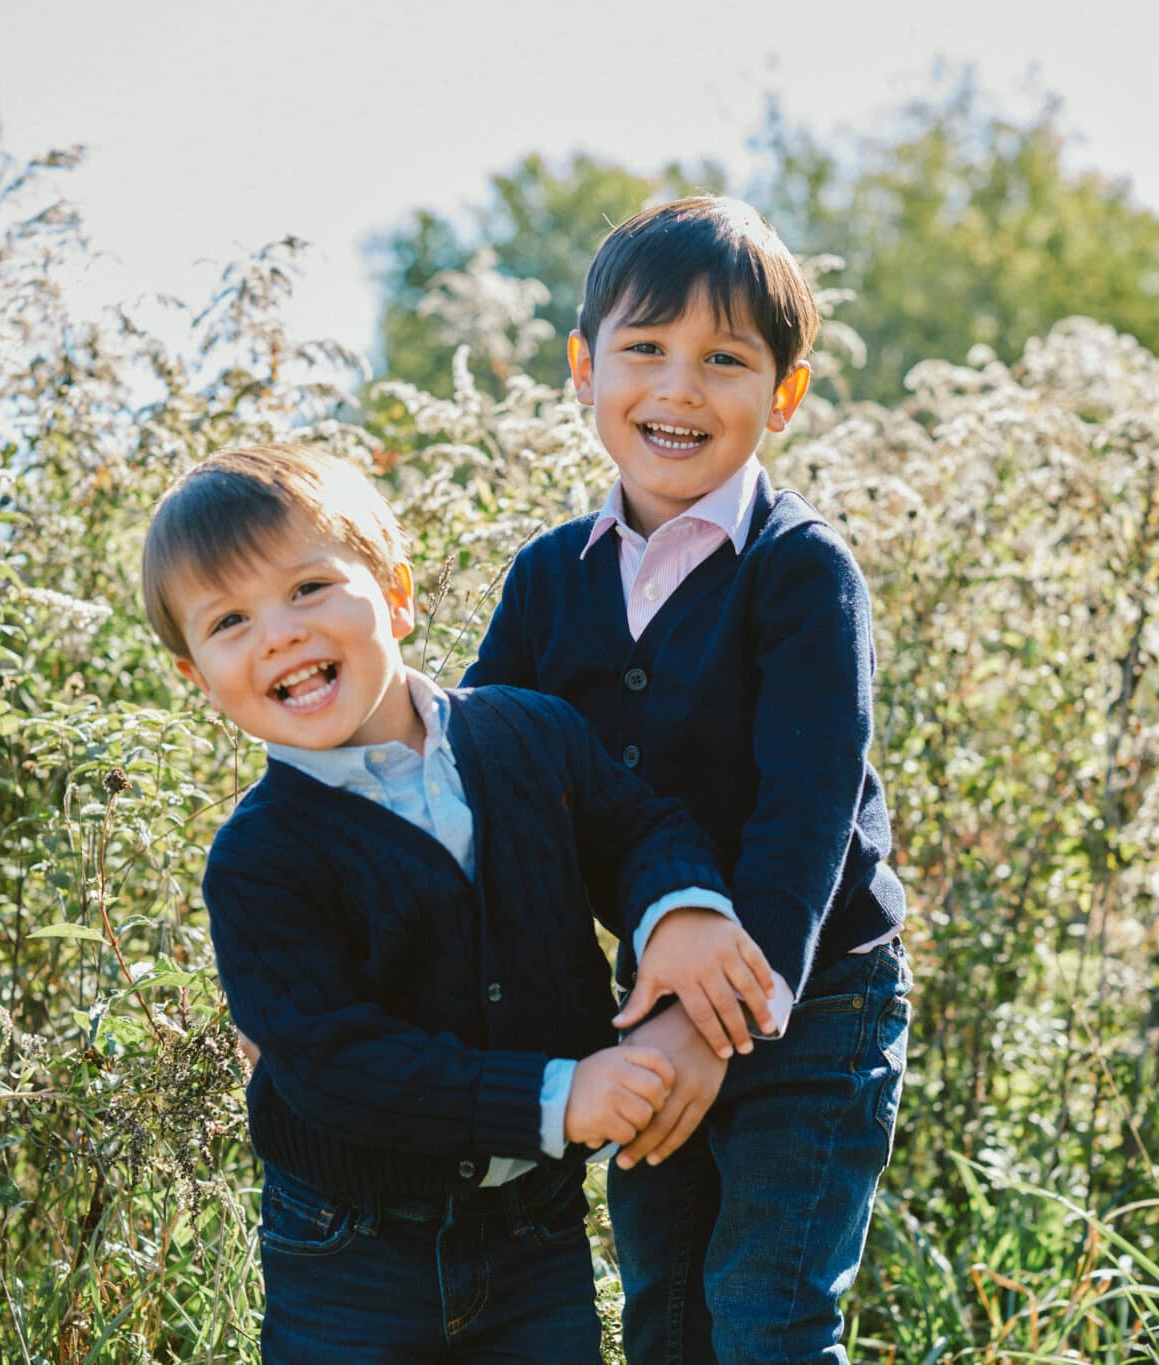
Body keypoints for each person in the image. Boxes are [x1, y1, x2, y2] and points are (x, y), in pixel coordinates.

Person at [141, 441, 777, 1362]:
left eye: (309, 588)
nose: (278, 632)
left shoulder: (528, 734)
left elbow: (636, 826)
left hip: (533, 1237)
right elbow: (335, 1062)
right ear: (199, 678)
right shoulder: (261, 857)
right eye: (230, 620)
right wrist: (554, 1095)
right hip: (349, 1255)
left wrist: (678, 909)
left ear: (396, 594)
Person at [463, 195, 912, 1364]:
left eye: (724, 361)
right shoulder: (548, 579)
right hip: (645, 996)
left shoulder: (800, 572)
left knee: (767, 1309)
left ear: (783, 394)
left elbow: (806, 812)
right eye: (645, 351)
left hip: (814, 1003)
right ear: (582, 369)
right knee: (664, 1312)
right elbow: (482, 770)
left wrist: (719, 1028)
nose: (678, 390)